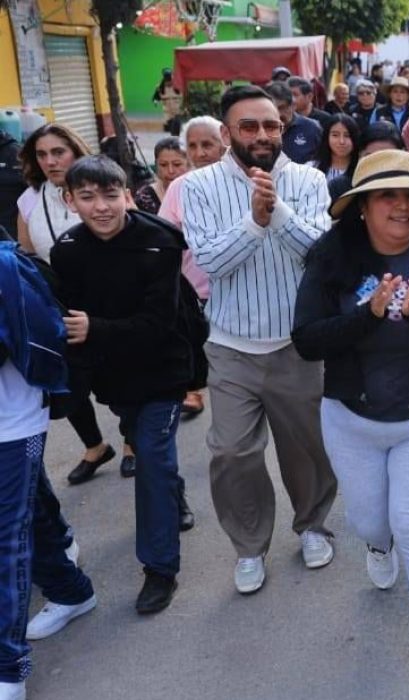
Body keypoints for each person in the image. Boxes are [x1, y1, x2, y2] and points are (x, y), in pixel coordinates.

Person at [292, 150, 409, 682]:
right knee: (369, 521)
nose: (402, 206)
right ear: (362, 208)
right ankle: (379, 547)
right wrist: (367, 315)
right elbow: (307, 341)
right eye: (387, 196)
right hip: (352, 420)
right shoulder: (330, 262)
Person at [182, 85, 338, 594]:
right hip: (231, 347)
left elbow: (321, 253)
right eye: (249, 127)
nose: (263, 135)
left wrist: (279, 212)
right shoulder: (199, 185)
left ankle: (312, 525)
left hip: (296, 346)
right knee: (231, 454)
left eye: (271, 125)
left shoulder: (310, 179)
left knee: (306, 450)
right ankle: (249, 547)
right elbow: (209, 263)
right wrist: (254, 221)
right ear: (227, 133)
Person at [51, 155, 195, 614]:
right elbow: (68, 321)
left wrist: (95, 328)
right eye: (88, 197)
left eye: (111, 195)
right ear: (69, 200)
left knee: (150, 456)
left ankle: (159, 569)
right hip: (114, 379)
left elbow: (158, 323)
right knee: (144, 445)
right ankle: (175, 498)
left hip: (166, 369)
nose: (101, 207)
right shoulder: (67, 250)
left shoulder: (160, 242)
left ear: (127, 195)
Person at [0, 234, 98, 700]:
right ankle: (70, 588)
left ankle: (7, 669)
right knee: (25, 512)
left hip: (11, 424)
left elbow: (35, 338)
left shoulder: (5, 266)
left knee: (6, 538)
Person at [14, 124, 133, 482]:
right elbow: (28, 256)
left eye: (58, 152)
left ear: (75, 151)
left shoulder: (102, 186)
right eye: (42, 154)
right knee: (67, 382)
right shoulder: (30, 199)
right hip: (58, 303)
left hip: (108, 299)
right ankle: (95, 446)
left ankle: (132, 443)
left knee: (124, 373)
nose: (50, 161)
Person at [158, 116, 226, 420]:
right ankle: (194, 391)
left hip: (234, 293)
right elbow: (164, 238)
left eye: (207, 144)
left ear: (224, 141)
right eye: (193, 146)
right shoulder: (179, 188)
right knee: (196, 352)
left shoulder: (240, 183)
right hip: (193, 294)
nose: (200, 153)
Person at [267, 81, 322, 165]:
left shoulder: (312, 128)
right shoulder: (259, 131)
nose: (278, 114)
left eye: (282, 108)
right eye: (273, 108)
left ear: (293, 105)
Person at [134, 137, 188, 215]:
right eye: (163, 165)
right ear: (156, 165)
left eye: (177, 164)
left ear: (189, 163)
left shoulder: (199, 193)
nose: (170, 171)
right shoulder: (145, 197)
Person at [312, 114, 361, 184]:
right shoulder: (312, 168)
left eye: (347, 136)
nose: (341, 141)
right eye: (335, 135)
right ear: (327, 137)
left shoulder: (363, 168)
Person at [153, 68, 183, 135]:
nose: (169, 82)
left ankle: (176, 136)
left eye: (170, 80)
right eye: (167, 81)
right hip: (167, 112)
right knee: (170, 126)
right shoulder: (160, 88)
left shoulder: (178, 86)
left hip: (177, 110)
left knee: (176, 125)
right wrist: (155, 101)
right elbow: (156, 97)